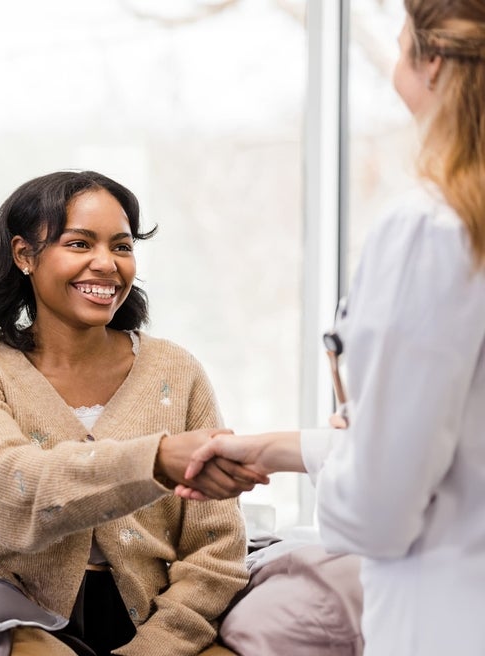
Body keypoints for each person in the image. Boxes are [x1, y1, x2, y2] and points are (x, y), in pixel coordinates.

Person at [178, 2, 485, 655]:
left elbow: (376, 514)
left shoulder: (433, 231)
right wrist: (281, 451)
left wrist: (351, 453)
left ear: (433, 61)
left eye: (401, 46)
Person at [0, 170, 261, 656]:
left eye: (122, 247)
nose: (106, 264)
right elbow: (11, 492)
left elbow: (216, 547)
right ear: (25, 255)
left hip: (158, 614)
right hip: (20, 618)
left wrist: (158, 644)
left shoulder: (176, 370)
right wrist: (157, 460)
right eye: (80, 244)